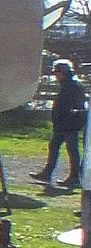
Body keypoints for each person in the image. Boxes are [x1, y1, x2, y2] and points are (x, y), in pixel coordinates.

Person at [31, 58, 87, 189]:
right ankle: (48, 173)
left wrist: (67, 118)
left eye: (57, 72)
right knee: (54, 146)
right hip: (63, 123)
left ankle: (74, 177)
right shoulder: (68, 84)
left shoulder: (73, 85)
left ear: (63, 72)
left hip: (69, 123)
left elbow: (74, 106)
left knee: (72, 150)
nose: (55, 75)